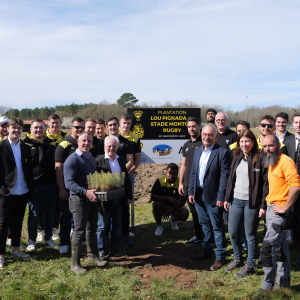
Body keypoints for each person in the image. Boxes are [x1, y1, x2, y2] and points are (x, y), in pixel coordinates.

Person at [253, 135, 300, 297]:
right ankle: (284, 282)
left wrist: (286, 207)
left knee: (268, 247)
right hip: (271, 208)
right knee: (281, 247)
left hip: (280, 212)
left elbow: (295, 186)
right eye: (264, 146)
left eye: (270, 146)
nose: (267, 149)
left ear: (278, 145)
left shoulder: (286, 162)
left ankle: (266, 286)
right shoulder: (272, 161)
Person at [224, 130, 268, 278]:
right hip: (235, 200)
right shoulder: (236, 156)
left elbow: (265, 183)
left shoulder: (260, 158)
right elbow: (230, 179)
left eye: (247, 141)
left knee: (250, 234)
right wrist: (227, 198)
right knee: (233, 232)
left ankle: (250, 265)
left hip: (252, 203)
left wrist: (263, 205)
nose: (244, 144)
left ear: (253, 142)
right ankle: (238, 259)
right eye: (242, 141)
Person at [188, 124, 231, 271]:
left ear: (216, 136)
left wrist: (221, 196)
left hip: (213, 196)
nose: (207, 137)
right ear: (201, 135)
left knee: (217, 226)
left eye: (210, 135)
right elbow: (193, 173)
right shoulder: (197, 151)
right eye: (205, 134)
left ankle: (220, 256)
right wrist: (191, 192)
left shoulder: (222, 152)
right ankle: (206, 251)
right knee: (204, 224)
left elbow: (225, 177)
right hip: (198, 194)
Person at [64, 131, 107, 274]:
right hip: (78, 199)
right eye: (84, 141)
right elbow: (69, 183)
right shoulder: (72, 159)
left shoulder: (90, 158)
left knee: (92, 227)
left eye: (89, 141)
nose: (86, 143)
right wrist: (85, 192)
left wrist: (95, 196)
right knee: (79, 230)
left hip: (91, 199)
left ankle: (93, 256)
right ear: (78, 141)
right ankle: (75, 264)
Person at [0, 118, 34, 268]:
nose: (17, 130)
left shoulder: (26, 148)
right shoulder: (1, 146)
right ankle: (1, 255)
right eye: (14, 127)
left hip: (23, 190)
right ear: (8, 128)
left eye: (19, 128)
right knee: (2, 224)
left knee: (18, 222)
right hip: (6, 192)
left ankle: (16, 249)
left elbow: (29, 169)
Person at [23, 119, 58, 251]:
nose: (39, 130)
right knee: (34, 214)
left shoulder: (51, 144)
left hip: (51, 186)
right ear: (30, 130)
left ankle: (48, 238)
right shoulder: (25, 145)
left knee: (50, 214)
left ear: (45, 129)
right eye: (36, 128)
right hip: (35, 187)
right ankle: (31, 240)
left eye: (41, 128)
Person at [95, 136, 132, 258]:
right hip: (105, 200)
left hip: (119, 198)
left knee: (117, 224)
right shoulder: (98, 161)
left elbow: (126, 179)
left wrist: (129, 196)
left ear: (118, 147)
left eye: (114, 146)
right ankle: (101, 250)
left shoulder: (121, 160)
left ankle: (116, 247)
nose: (112, 148)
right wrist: (97, 203)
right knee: (102, 226)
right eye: (109, 146)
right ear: (105, 147)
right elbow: (96, 184)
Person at [55, 117, 85, 254]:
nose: (79, 130)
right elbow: (58, 167)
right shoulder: (64, 144)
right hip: (68, 188)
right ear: (71, 128)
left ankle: (81, 239)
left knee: (81, 215)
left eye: (81, 127)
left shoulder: (84, 143)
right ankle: (65, 242)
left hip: (82, 188)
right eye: (77, 127)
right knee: (66, 215)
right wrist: (62, 189)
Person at [37, 113, 67, 242]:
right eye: (52, 123)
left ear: (60, 123)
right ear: (48, 123)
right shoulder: (43, 137)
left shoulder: (65, 137)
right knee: (42, 206)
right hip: (45, 176)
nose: (55, 125)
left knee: (58, 204)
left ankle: (55, 229)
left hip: (60, 175)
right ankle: (40, 230)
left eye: (57, 122)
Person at [179, 117, 203, 246]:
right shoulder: (186, 144)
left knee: (203, 212)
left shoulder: (204, 143)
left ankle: (209, 239)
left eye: (194, 126)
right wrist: (181, 183)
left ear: (199, 127)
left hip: (200, 185)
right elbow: (183, 165)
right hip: (188, 185)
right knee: (194, 212)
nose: (191, 129)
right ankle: (199, 236)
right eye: (189, 127)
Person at [119, 114, 142, 244]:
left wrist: (129, 174)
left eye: (128, 123)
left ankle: (125, 229)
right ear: (120, 123)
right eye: (124, 123)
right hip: (114, 176)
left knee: (126, 201)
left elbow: (137, 159)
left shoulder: (135, 138)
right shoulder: (114, 136)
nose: (126, 125)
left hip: (129, 175)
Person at [152, 163, 189, 236]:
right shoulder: (160, 180)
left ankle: (173, 220)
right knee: (156, 204)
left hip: (175, 206)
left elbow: (183, 201)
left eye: (174, 174)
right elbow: (152, 197)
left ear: (177, 174)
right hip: (162, 206)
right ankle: (159, 226)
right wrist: (168, 198)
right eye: (170, 173)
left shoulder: (181, 183)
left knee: (185, 213)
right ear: (166, 172)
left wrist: (171, 210)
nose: (171, 175)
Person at [282, 112, 300, 250]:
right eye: (296, 122)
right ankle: (296, 240)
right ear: (292, 124)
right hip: (291, 184)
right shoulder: (287, 142)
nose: (298, 125)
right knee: (294, 213)